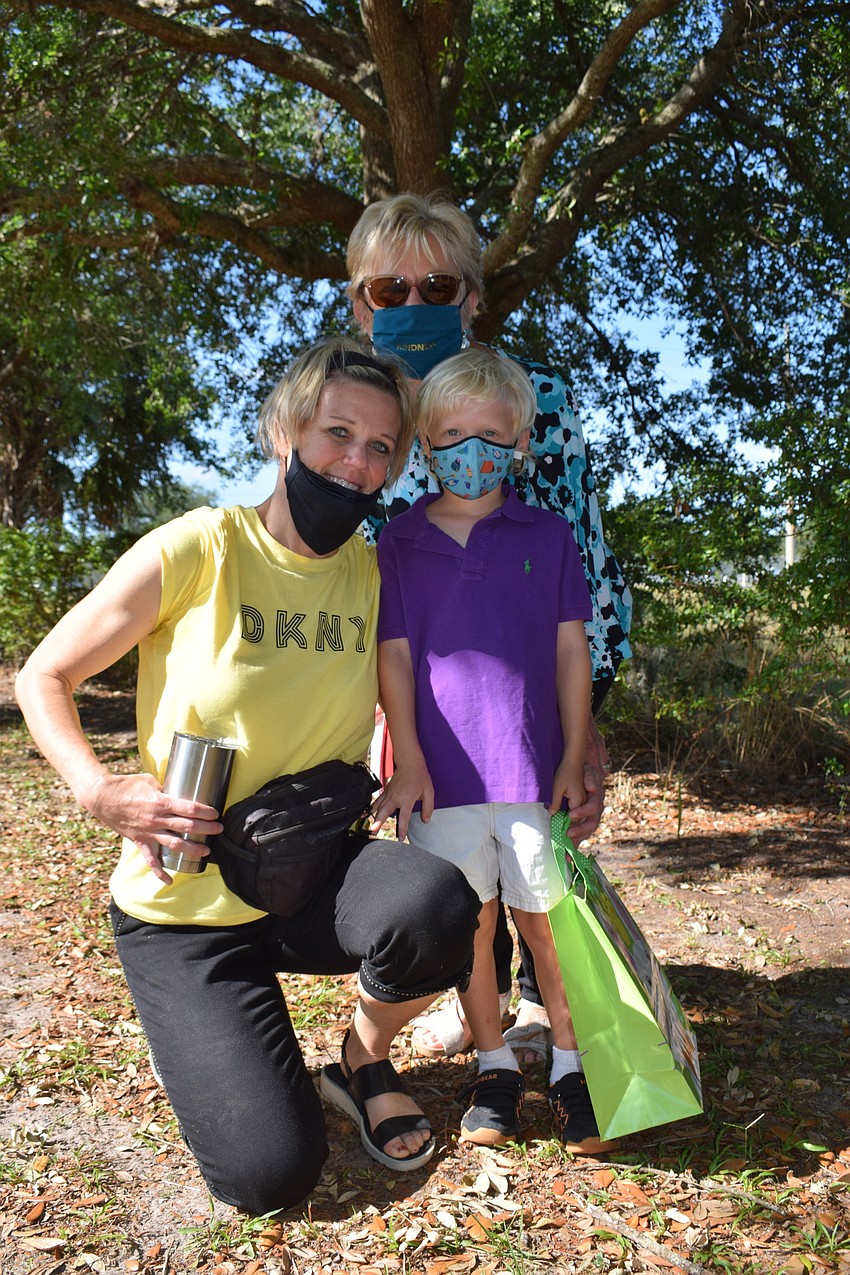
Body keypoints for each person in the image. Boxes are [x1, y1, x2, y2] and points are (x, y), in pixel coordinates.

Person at [14, 337, 480, 1216]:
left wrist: (416, 758)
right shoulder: (201, 547)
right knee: (270, 1178)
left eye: (382, 448)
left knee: (438, 904)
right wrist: (97, 788)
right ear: (286, 430)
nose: (359, 460)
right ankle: (205, 1029)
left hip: (309, 876)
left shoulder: (371, 574)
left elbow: (411, 678)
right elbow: (42, 674)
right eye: (339, 431)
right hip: (185, 912)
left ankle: (361, 1055)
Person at [347, 192, 632, 1060]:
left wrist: (586, 729)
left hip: (526, 684)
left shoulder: (534, 399)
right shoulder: (350, 408)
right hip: (401, 682)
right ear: (357, 303)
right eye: (385, 290)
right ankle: (476, 1014)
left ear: (473, 295)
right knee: (449, 857)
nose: (411, 303)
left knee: (535, 844)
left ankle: (541, 1008)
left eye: (436, 283)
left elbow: (578, 555)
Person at [372, 348, 613, 1153]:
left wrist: (576, 754)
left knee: (545, 925)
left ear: (519, 443)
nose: (469, 450)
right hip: (442, 782)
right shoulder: (399, 543)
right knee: (471, 926)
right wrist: (407, 757)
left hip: (530, 775)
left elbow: (573, 652)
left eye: (490, 434)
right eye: (450, 433)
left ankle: (573, 1065)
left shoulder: (547, 535)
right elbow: (395, 656)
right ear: (423, 442)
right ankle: (495, 1063)